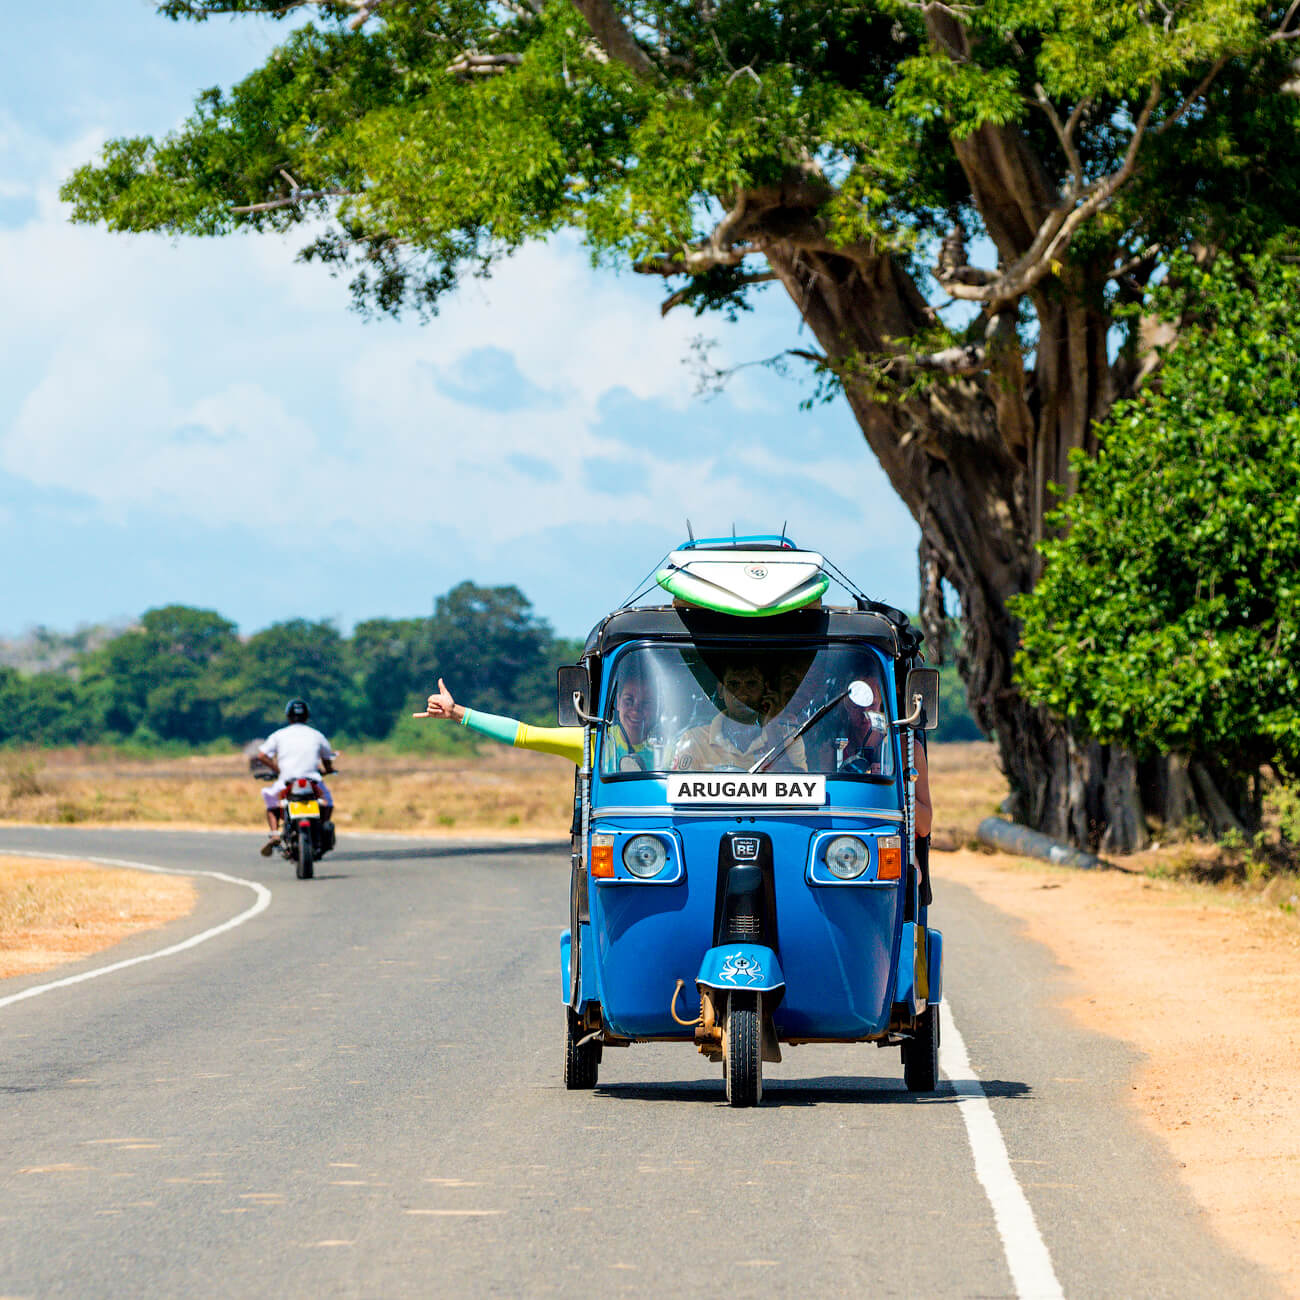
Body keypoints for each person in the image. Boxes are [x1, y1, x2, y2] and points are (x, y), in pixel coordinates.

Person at [413, 674, 657, 769]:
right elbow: (524, 735)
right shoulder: (595, 742)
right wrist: (457, 712)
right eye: (629, 700)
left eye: (646, 703)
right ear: (615, 705)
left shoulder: (673, 745)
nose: (636, 709)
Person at [669, 658, 807, 772]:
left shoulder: (788, 737)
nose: (742, 694)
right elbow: (681, 795)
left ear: (765, 689)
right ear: (721, 690)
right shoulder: (694, 740)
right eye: (733, 685)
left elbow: (799, 792)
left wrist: (772, 731)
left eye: (751, 684)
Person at [256, 698, 337, 856]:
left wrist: (278, 769)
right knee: (328, 802)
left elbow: (262, 755)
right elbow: (327, 759)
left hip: (287, 781)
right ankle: (323, 826)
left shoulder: (279, 735)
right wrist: (328, 769)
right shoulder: (317, 735)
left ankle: (274, 833)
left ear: (288, 717)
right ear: (307, 716)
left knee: (272, 802)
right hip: (312, 782)